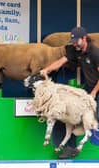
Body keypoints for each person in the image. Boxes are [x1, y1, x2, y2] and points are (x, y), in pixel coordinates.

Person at [40, 26, 99, 159]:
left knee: (96, 116)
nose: (74, 44)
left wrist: (94, 93)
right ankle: (70, 148)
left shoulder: (95, 53)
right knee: (67, 114)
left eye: (77, 41)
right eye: (73, 41)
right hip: (88, 89)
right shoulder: (76, 50)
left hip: (96, 89)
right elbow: (61, 61)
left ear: (84, 39)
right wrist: (47, 70)